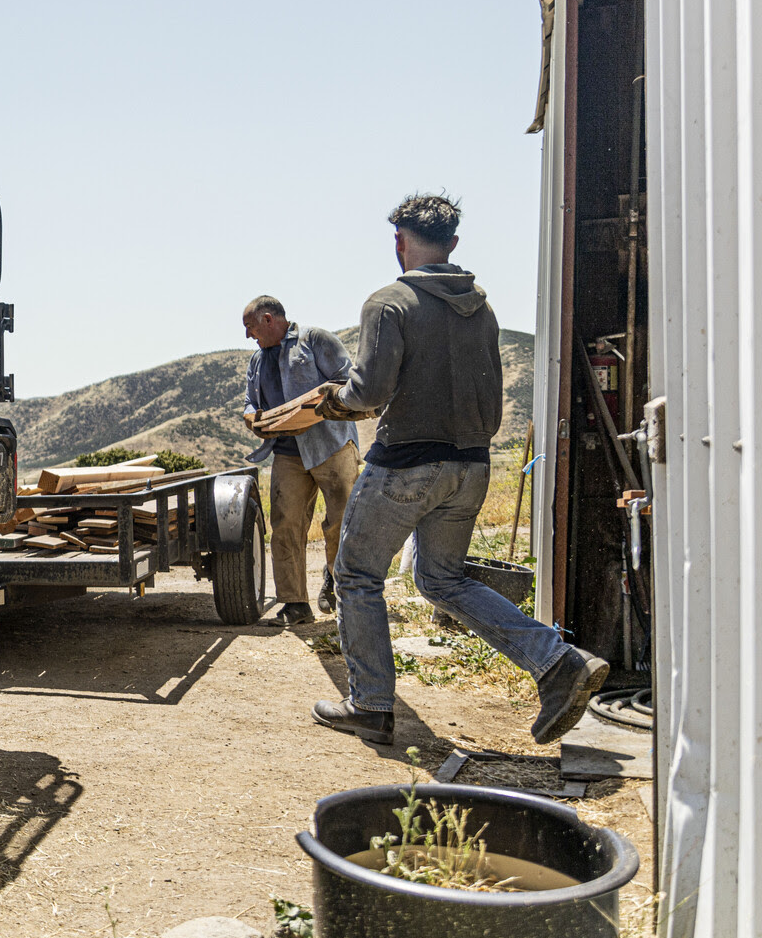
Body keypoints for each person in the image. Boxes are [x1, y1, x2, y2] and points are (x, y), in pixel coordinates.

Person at [310, 194, 607, 747]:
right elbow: (489, 398)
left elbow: (371, 390)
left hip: (404, 465)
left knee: (356, 576)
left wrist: (336, 401)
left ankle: (371, 705)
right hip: (470, 465)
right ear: (452, 244)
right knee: (442, 579)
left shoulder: (388, 302)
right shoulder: (483, 309)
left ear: (400, 242)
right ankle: (556, 661)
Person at [240, 296, 358, 626]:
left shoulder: (315, 339)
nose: (249, 336)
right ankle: (295, 604)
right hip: (287, 454)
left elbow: (346, 379)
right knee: (286, 526)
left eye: (250, 327)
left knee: (340, 522)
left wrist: (313, 406)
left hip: (332, 446)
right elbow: (250, 401)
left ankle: (338, 584)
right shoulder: (256, 361)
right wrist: (252, 417)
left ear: (267, 319)